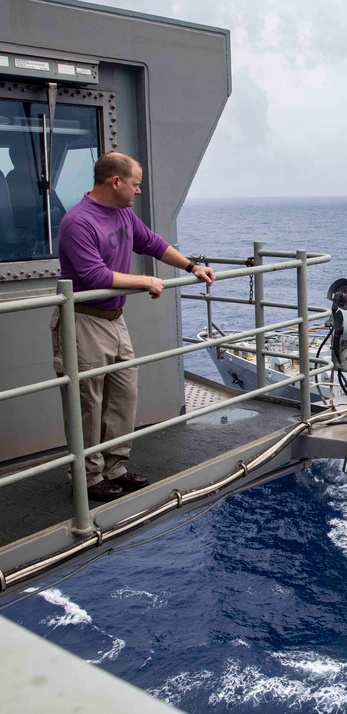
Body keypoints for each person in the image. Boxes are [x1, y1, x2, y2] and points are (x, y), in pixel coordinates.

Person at [53, 152, 216, 501]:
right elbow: (94, 275)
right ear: (116, 182)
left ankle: (115, 467)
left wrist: (191, 267)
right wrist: (144, 281)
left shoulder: (123, 215)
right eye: (135, 183)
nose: (138, 191)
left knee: (123, 397)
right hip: (83, 321)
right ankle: (88, 476)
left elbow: (153, 244)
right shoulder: (78, 223)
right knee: (87, 404)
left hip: (114, 319)